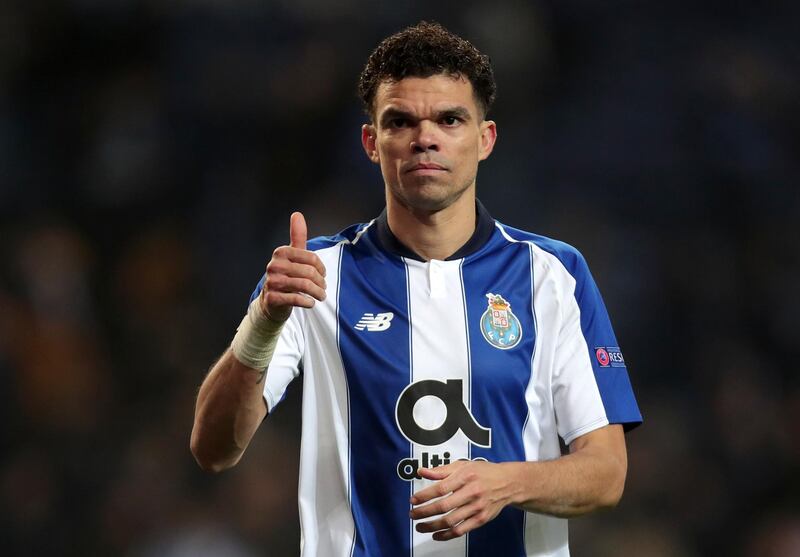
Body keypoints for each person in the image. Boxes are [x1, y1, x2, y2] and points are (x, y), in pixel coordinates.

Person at [191, 21, 642, 557]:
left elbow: (607, 472)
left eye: (449, 119)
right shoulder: (316, 276)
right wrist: (261, 326)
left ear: (485, 138)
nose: (424, 137)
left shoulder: (553, 275)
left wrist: (505, 482)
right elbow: (214, 449)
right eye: (400, 121)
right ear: (371, 143)